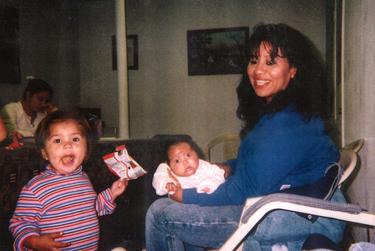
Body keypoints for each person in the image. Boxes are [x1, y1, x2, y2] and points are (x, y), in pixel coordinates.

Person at [145, 23, 346, 250]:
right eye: (253, 60)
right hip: (285, 205)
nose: (258, 71)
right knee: (177, 209)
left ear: (293, 69)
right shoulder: (281, 113)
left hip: (289, 217)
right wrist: (227, 167)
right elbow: (257, 165)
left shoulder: (288, 124)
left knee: (160, 213)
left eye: (270, 62)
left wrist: (187, 195)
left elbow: (245, 190)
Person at [9, 110, 127, 250]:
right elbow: (20, 223)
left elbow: (92, 208)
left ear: (86, 149)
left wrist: (112, 193)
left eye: (75, 139)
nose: (68, 145)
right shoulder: (36, 187)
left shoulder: (83, 178)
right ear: (45, 153)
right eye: (57, 140)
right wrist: (35, 242)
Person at [152, 139, 225, 196]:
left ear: (197, 154)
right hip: (180, 203)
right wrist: (166, 183)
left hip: (205, 199)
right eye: (177, 161)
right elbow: (158, 179)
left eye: (188, 155)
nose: (185, 162)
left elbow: (219, 173)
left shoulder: (203, 165)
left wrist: (210, 184)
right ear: (169, 165)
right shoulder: (166, 169)